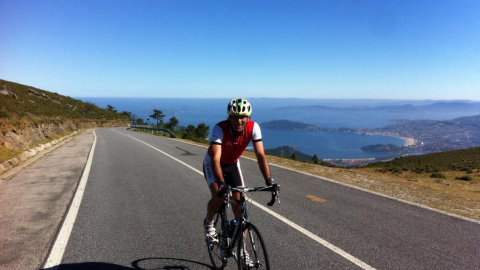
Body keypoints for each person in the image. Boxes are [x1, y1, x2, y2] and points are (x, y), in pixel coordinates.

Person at [203, 98, 275, 244]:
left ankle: (243, 253)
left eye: (242, 116)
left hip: (232, 165)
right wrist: (222, 184)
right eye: (235, 116)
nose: (239, 120)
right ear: (229, 117)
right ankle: (209, 223)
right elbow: (216, 159)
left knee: (240, 208)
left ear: (248, 117)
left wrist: (269, 181)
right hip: (212, 163)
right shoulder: (220, 128)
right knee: (219, 198)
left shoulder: (254, 128)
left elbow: (260, 155)